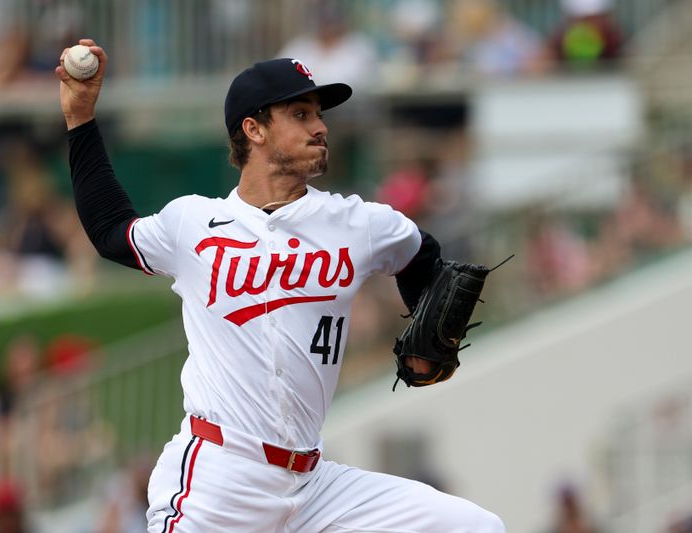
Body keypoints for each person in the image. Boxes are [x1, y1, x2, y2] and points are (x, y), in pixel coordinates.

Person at [55, 38, 506, 532]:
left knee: (474, 526)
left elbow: (421, 252)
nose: (320, 126)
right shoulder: (194, 223)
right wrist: (80, 119)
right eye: (300, 113)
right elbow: (110, 231)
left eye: (318, 113)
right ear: (254, 129)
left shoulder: (359, 224)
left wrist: (425, 328)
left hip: (313, 487)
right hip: (218, 478)